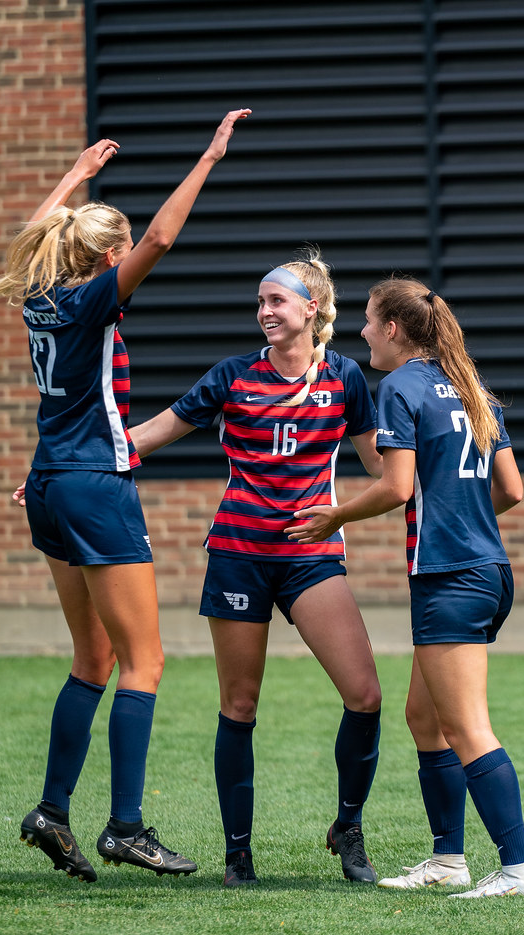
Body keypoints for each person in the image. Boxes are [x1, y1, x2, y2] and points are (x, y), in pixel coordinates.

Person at [0, 108, 251, 882]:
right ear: (106, 254)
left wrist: (74, 177)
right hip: (95, 484)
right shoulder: (91, 297)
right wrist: (208, 157)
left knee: (92, 656)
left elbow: (39, 236)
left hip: (48, 482)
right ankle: (127, 826)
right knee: (145, 660)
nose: (132, 252)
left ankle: (52, 811)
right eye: (121, 246)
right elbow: (163, 239)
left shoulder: (40, 292)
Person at [130, 249, 384, 887]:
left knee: (365, 695)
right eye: (261, 301)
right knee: (239, 706)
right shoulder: (233, 375)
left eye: (278, 300)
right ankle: (237, 852)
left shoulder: (346, 377)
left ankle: (347, 825)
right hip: (239, 556)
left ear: (312, 307)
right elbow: (149, 434)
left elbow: (384, 469)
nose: (265, 311)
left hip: (311, 556)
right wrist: (65, 458)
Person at [287, 276, 524, 898]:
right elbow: (510, 491)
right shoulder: (469, 384)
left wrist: (335, 515)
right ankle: (448, 860)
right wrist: (464, 519)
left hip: (451, 578)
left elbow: (397, 486)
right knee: (423, 719)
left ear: (395, 330)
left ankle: (519, 870)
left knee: (467, 728)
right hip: (487, 571)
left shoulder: (400, 386)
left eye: (371, 322)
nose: (364, 333)